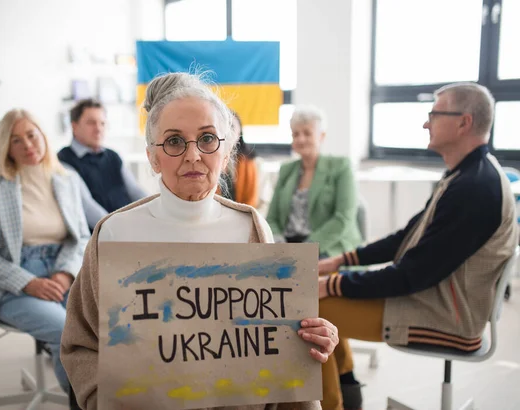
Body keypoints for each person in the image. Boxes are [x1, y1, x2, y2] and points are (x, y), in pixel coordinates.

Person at [61, 72, 340, 410]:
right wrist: (101, 400)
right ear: (152, 156)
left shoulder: (251, 227)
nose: (193, 155)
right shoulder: (115, 232)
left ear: (225, 152)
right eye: (175, 142)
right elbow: (81, 346)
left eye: (207, 139)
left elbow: (276, 348)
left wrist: (309, 339)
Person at [315, 82, 518, 410]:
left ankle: (333, 404)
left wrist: (331, 284)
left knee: (312, 311)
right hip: (437, 300)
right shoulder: (464, 176)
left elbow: (409, 276)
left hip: (447, 318)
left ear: (464, 122)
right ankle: (348, 393)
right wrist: (340, 261)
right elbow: (405, 238)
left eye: (434, 114)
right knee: (321, 301)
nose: (426, 122)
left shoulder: (474, 189)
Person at [0, 109, 90, 395]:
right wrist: (28, 282)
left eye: (32, 135)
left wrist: (65, 274)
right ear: (6, 147)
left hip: (60, 273)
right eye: (16, 140)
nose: (28, 145)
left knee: (99, 327)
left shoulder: (67, 180)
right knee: (66, 332)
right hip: (11, 283)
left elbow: (79, 237)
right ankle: (81, 402)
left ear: (43, 136)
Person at [266, 106, 362, 257]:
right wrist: (279, 244)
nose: (300, 139)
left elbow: (344, 218)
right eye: (295, 134)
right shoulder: (286, 170)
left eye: (307, 133)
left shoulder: (341, 167)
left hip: (327, 246)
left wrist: (306, 250)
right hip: (287, 246)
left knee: (301, 276)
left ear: (321, 136)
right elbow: (272, 218)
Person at [58, 99, 147, 229]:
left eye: (102, 123)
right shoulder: (63, 161)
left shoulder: (113, 156)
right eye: (91, 123)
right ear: (74, 126)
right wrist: (117, 229)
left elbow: (136, 192)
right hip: (101, 235)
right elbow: (87, 206)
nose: (98, 129)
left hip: (128, 227)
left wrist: (158, 212)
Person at [219, 110, 259, 206]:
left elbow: (251, 198)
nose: (227, 132)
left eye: (232, 127)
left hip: (241, 214)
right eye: (223, 127)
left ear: (239, 132)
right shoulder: (208, 158)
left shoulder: (248, 160)